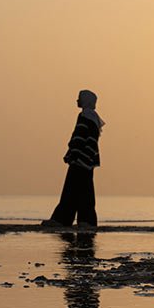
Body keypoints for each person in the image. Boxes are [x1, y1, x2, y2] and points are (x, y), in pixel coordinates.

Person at [43, 89, 102, 229]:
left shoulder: (87, 116)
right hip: (84, 159)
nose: (77, 100)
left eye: (79, 98)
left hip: (81, 160)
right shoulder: (90, 116)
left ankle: (63, 220)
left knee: (72, 190)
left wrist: (76, 154)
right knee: (83, 190)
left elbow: (84, 138)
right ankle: (85, 221)